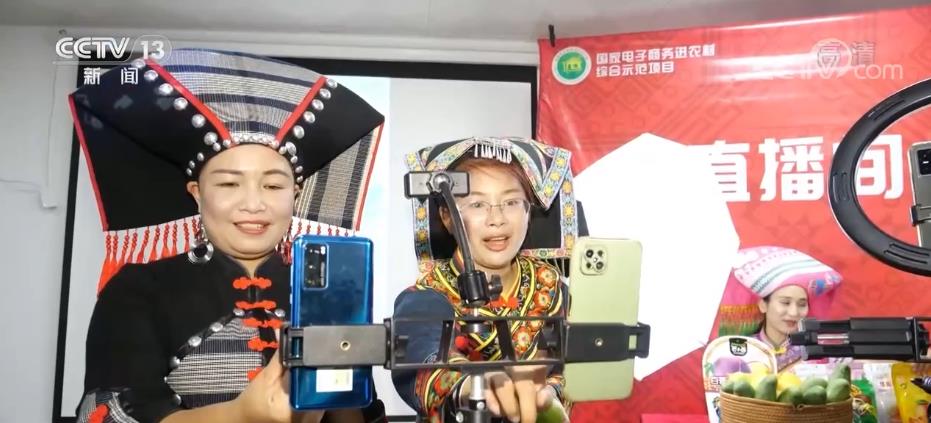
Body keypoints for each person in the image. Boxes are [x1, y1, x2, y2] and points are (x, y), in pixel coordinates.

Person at [71, 48, 386, 423]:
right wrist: (241, 415)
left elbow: (357, 414)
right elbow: (108, 413)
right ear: (197, 193)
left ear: (295, 195)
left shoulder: (325, 294)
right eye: (229, 184)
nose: (254, 204)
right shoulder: (139, 289)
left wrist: (336, 386)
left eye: (273, 186)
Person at [393, 137, 584, 423]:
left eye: (511, 202)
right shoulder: (427, 296)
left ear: (528, 211)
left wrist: (549, 394)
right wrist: (473, 387)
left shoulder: (551, 287)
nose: (497, 218)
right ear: (446, 217)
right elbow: (422, 356)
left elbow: (569, 368)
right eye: (478, 204)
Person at [721, 246, 843, 371]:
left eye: (802, 304)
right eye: (785, 302)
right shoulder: (739, 352)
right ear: (763, 305)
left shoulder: (816, 351)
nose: (794, 313)